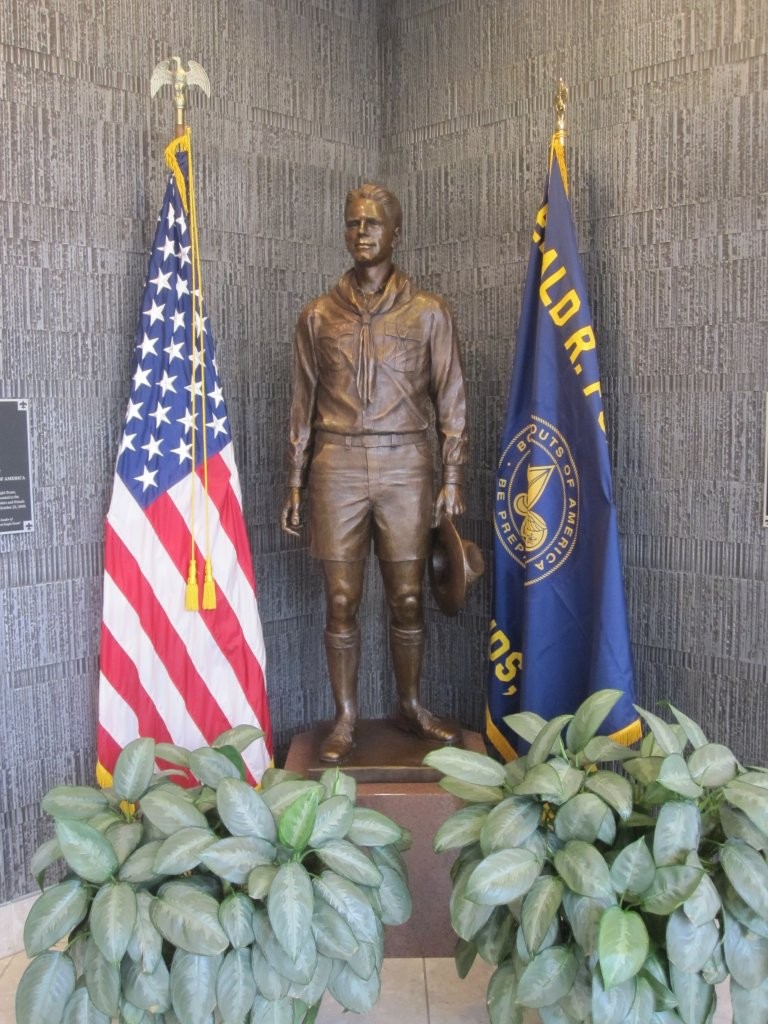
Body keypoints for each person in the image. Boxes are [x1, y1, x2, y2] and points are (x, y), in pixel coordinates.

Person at [280, 183, 468, 763]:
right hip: (336, 465)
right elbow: (301, 405)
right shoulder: (316, 316)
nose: (361, 233)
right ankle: (345, 717)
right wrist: (295, 479)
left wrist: (453, 477)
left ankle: (410, 705)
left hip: (406, 465)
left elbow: (452, 400)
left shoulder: (428, 312)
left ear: (395, 232)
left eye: (372, 224)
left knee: (408, 598)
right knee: (340, 599)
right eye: (352, 223)